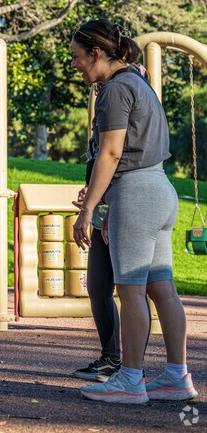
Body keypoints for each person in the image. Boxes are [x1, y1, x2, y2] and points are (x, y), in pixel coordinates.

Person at [70, 19, 197, 403]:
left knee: (130, 291)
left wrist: (88, 208)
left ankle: (130, 380)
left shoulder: (113, 90)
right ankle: (177, 376)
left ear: (97, 53)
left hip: (135, 194)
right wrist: (98, 191)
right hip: (160, 189)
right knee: (163, 289)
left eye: (77, 57)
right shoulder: (141, 84)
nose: (74, 64)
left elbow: (110, 152)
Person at [71, 117, 121, 383]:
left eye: (97, 125)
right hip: (103, 216)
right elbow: (103, 176)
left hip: (117, 215)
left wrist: (96, 205)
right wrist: (90, 193)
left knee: (135, 290)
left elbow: (119, 170)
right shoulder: (98, 143)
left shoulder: (118, 138)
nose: (94, 129)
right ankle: (112, 358)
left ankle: (125, 365)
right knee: (98, 287)